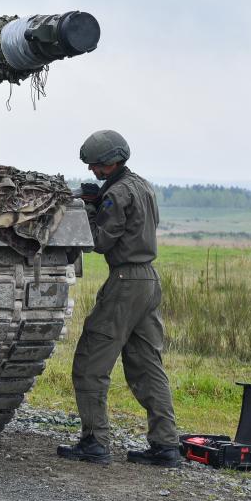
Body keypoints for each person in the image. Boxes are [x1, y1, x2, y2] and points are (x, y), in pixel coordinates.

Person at [57, 130, 180, 467]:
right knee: (148, 365)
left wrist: (91, 208)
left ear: (109, 162)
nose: (93, 170)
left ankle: (94, 442)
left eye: (96, 165)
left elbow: (100, 241)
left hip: (125, 281)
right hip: (148, 280)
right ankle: (166, 446)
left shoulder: (118, 193)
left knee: (90, 362)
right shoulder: (142, 186)